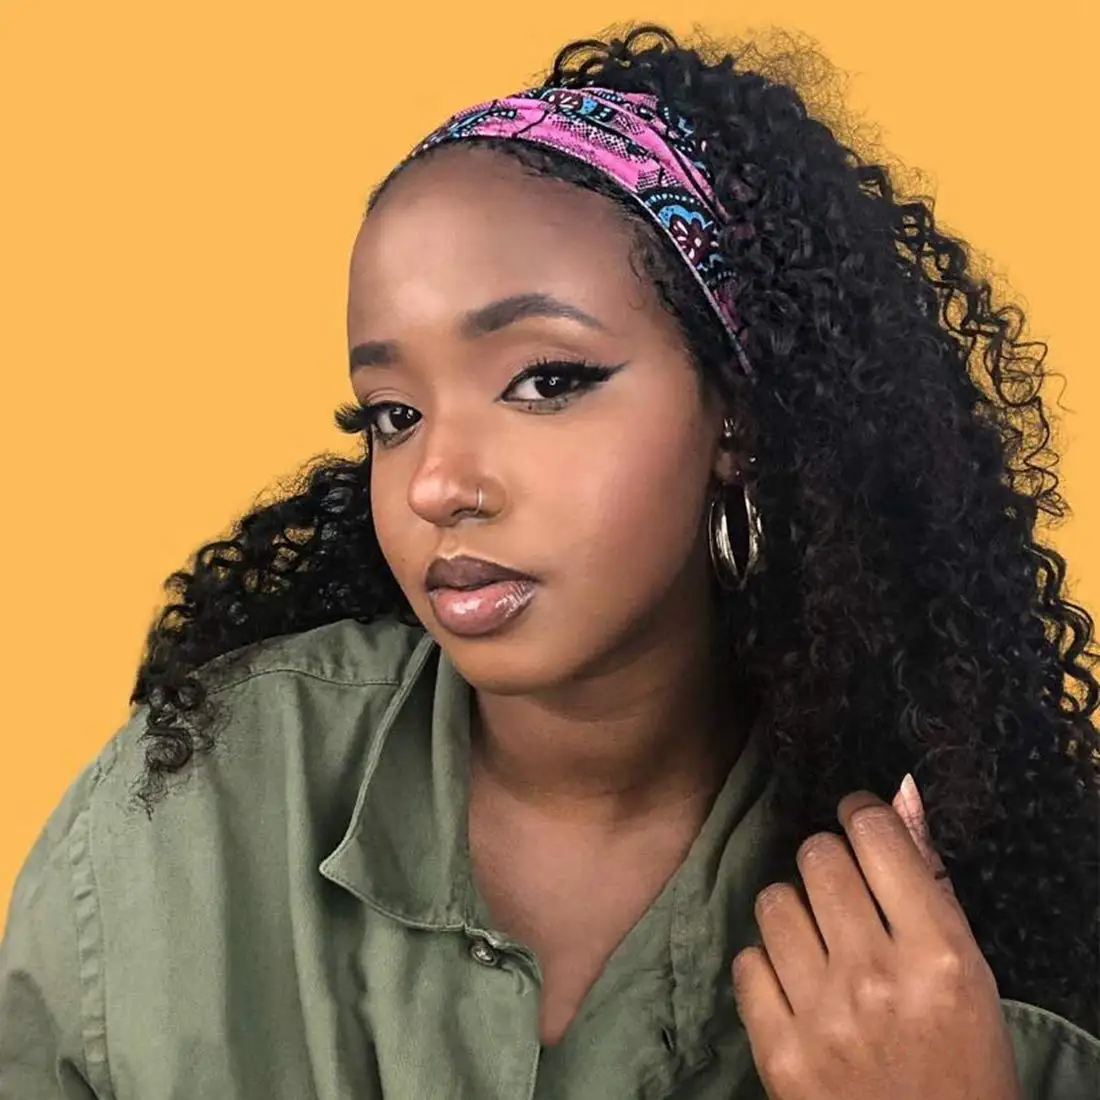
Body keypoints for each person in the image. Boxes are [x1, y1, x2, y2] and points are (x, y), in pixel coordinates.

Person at [1, 21, 1097, 1100]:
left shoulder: (975, 935)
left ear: (738, 415)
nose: (436, 483)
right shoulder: (185, 813)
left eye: (546, 381)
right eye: (392, 413)